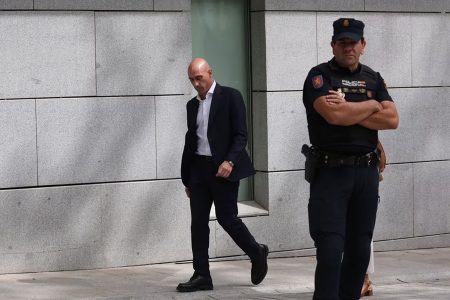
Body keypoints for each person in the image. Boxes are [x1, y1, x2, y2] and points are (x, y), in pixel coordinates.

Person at [302, 18, 399, 299]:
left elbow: (392, 119)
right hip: (331, 174)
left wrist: (351, 110)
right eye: (342, 42)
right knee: (331, 253)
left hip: (365, 175)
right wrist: (370, 105)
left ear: (363, 45)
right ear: (333, 45)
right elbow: (335, 115)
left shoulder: (373, 77)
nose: (348, 47)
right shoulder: (319, 77)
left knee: (358, 254)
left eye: (353, 42)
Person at [177, 58, 269, 292]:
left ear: (210, 73)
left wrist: (229, 161)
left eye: (199, 77)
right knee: (197, 223)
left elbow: (241, 135)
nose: (196, 83)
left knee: (227, 218)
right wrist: (187, 177)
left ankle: (256, 251)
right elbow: (192, 140)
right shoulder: (191, 105)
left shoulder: (231, 97)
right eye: (192, 80)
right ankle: (202, 275)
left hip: (223, 169)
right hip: (198, 169)